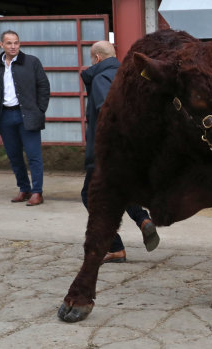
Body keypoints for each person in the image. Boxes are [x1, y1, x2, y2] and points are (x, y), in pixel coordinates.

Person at [81, 40, 160, 263]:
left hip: (109, 149)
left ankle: (114, 247)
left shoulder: (100, 78)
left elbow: (108, 111)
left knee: (90, 196)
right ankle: (144, 221)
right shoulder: (129, 75)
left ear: (96, 58)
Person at [0, 30, 50, 206]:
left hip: (27, 115)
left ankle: (37, 192)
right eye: (9, 43)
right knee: (14, 156)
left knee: (33, 155)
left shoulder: (32, 62)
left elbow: (44, 87)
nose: (13, 46)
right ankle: (24, 189)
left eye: (16, 43)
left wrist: (39, 110)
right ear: (1, 45)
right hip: (5, 116)